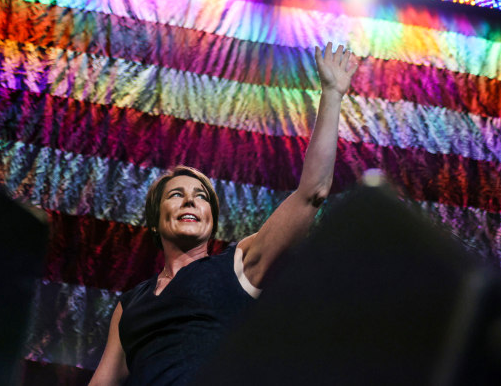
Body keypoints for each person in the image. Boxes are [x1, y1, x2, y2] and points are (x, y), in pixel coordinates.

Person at [89, 42, 358, 385]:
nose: (190, 202)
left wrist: (332, 93)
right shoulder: (129, 306)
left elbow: (311, 194)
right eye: (176, 195)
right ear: (155, 219)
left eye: (200, 197)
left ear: (211, 219)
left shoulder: (237, 265)